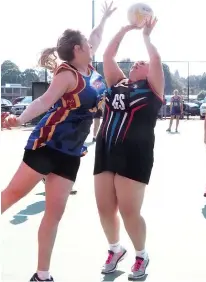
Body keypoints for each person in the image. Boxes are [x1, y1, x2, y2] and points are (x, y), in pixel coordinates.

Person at [1, 2, 115, 281]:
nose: (91, 45)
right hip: (48, 144)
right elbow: (43, 101)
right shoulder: (68, 74)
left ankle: (42, 275)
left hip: (71, 152)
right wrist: (20, 119)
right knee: (11, 196)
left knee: (53, 214)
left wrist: (104, 19)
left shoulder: (88, 65)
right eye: (86, 44)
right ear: (77, 49)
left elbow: (96, 37)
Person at [93, 18, 164, 280]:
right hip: (106, 150)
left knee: (129, 210)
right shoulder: (117, 83)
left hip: (136, 154)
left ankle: (141, 254)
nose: (138, 62)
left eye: (142, 63)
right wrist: (125, 29)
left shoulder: (153, 90)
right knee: (104, 207)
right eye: (136, 61)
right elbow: (107, 55)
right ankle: (115, 249)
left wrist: (146, 36)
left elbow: (155, 60)